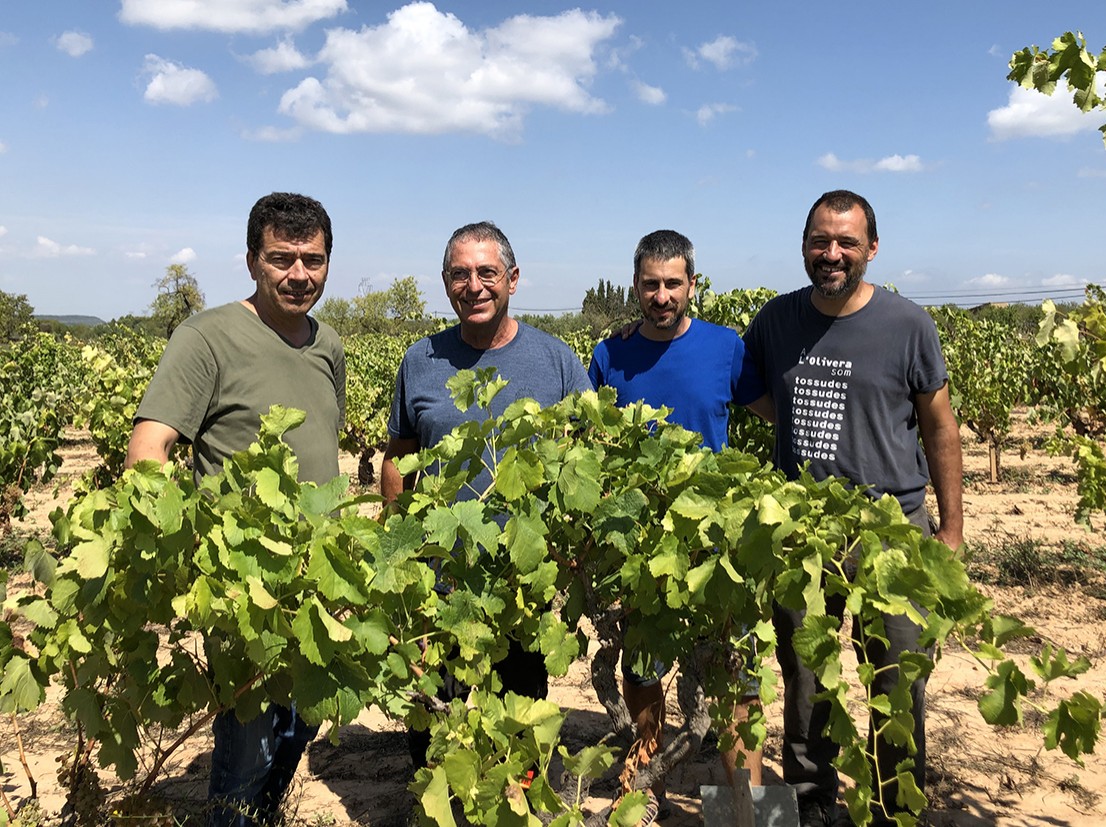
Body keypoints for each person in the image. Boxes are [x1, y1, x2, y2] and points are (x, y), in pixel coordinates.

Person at [742, 190, 963, 827]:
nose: (831, 253)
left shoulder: (908, 324)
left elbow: (940, 427)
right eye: (820, 240)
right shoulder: (776, 321)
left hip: (893, 532)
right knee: (806, 683)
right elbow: (750, 385)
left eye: (845, 242)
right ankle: (812, 813)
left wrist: (949, 530)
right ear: (804, 245)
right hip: (802, 533)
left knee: (895, 686)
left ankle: (897, 812)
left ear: (871, 248)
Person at [126, 193, 345, 826]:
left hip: (319, 578)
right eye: (282, 258)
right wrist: (184, 544)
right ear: (252, 260)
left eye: (313, 259)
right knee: (247, 742)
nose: (298, 274)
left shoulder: (327, 344)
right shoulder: (206, 337)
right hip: (241, 581)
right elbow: (151, 445)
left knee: (304, 718)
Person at [380, 220, 591, 765]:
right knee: (431, 733)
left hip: (521, 589)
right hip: (437, 589)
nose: (473, 286)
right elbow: (398, 459)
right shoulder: (418, 361)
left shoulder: (556, 362)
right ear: (446, 283)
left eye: (487, 273)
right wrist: (397, 553)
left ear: (513, 279)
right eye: (459, 274)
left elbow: (587, 461)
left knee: (519, 732)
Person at [587, 230, 772, 819]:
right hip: (641, 544)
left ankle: (742, 809)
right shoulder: (608, 356)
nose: (661, 295)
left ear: (692, 284)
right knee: (642, 669)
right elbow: (589, 442)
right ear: (636, 287)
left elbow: (773, 414)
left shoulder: (726, 348)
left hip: (719, 545)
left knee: (736, 681)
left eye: (673, 283)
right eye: (650, 284)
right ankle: (650, 794)